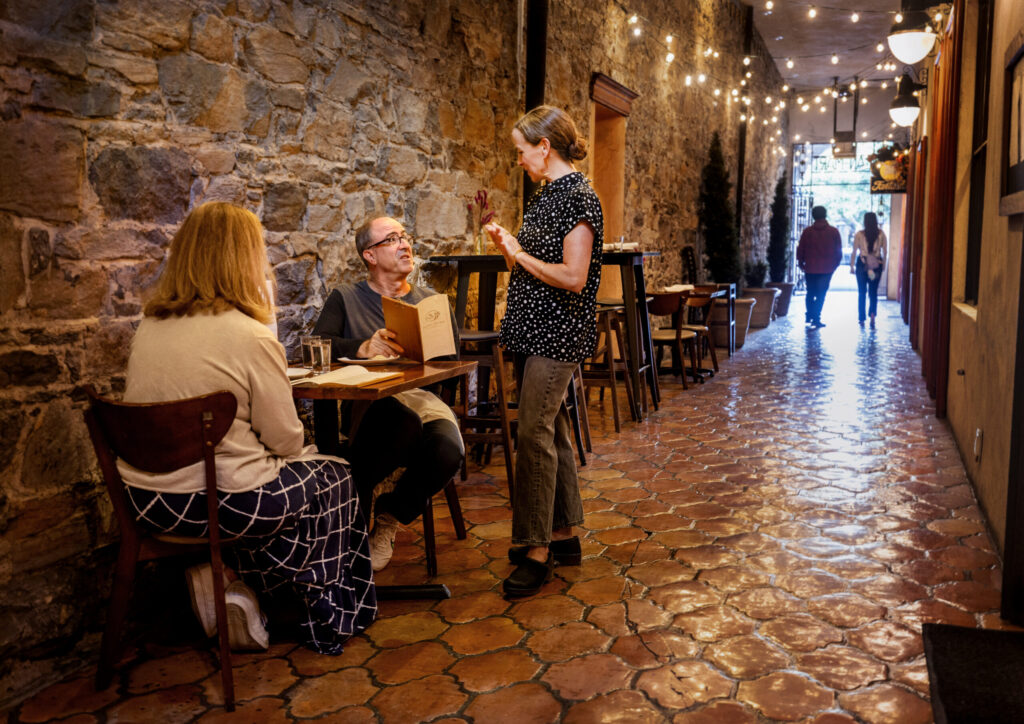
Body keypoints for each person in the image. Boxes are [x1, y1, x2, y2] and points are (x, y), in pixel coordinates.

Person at [120, 202, 376, 655]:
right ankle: (326, 622)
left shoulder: (149, 327)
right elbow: (287, 440)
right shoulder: (249, 335)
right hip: (223, 507)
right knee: (335, 478)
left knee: (287, 483)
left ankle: (231, 582)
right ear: (245, 260)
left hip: (148, 502)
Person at [484, 105, 603, 597]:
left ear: (544, 147)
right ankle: (564, 534)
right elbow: (539, 263)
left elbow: (574, 279)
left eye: (520, 150)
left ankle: (536, 549)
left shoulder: (577, 198)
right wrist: (512, 247)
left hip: (557, 333)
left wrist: (519, 256)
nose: (518, 159)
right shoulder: (550, 195)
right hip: (536, 331)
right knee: (549, 431)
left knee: (531, 435)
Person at [312, 216, 464, 572]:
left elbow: (452, 373)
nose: (404, 244)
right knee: (402, 424)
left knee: (448, 450)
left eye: (405, 236)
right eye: (392, 239)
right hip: (369, 407)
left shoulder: (431, 302)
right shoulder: (346, 298)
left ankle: (389, 513)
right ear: (370, 255)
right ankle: (352, 520)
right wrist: (363, 347)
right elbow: (319, 345)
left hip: (423, 401)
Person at [796, 205, 842, 329]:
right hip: (827, 269)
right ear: (825, 215)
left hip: (810, 267)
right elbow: (839, 252)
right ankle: (816, 317)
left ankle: (809, 314)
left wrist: (801, 263)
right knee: (821, 294)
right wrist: (834, 266)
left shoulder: (807, 232)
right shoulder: (833, 231)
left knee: (810, 292)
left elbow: (801, 249)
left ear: (813, 216)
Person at [851, 211, 886, 328]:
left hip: (862, 265)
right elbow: (885, 251)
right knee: (873, 292)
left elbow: (855, 251)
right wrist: (883, 265)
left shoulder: (859, 234)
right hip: (876, 266)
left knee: (861, 292)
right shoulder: (881, 234)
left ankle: (861, 318)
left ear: (865, 221)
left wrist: (851, 266)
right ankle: (872, 316)